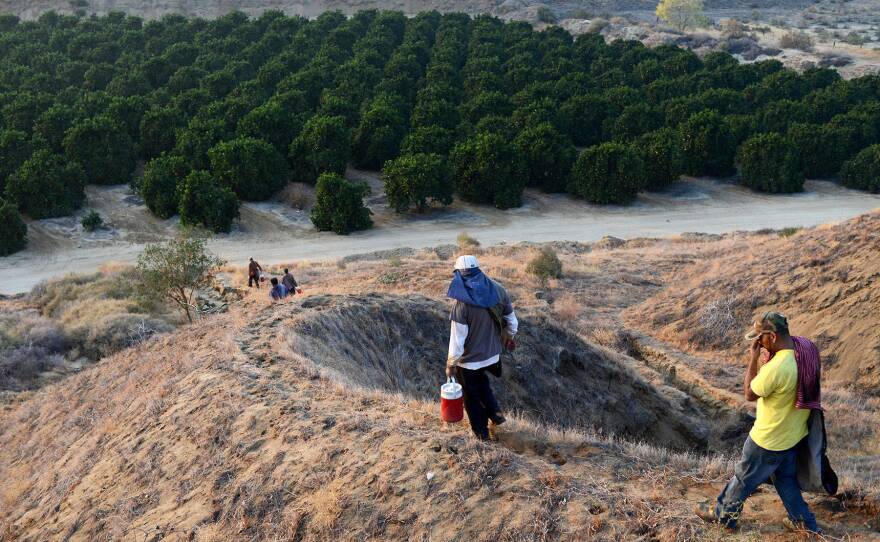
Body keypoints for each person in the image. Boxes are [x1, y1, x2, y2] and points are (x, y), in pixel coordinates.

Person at [697, 311, 820, 533]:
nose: (758, 342)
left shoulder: (778, 367)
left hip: (768, 439)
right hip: (792, 435)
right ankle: (804, 524)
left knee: (743, 478)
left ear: (772, 337)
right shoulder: (806, 350)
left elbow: (749, 393)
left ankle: (723, 516)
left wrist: (753, 359)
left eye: (760, 337)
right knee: (785, 480)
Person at [445, 255, 518, 441]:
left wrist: (451, 363)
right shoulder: (498, 290)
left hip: (470, 361)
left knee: (471, 397)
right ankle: (495, 413)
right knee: (482, 383)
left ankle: (481, 434)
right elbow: (512, 322)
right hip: (493, 355)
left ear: (459, 274)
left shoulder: (461, 304)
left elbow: (457, 339)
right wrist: (509, 337)